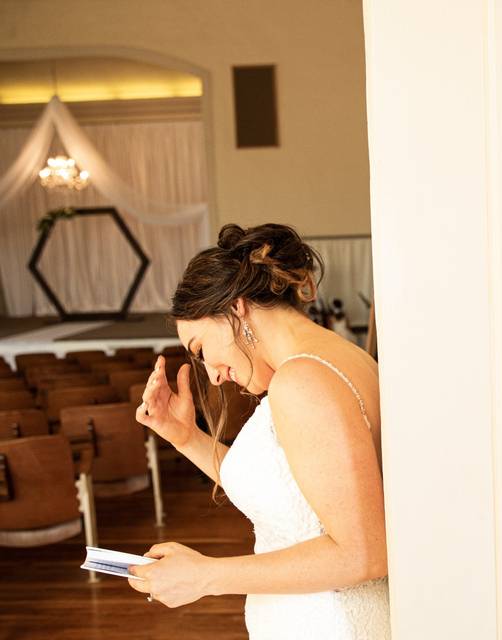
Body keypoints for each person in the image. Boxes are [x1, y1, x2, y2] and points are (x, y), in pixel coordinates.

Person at [128, 223, 390, 639]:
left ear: (235, 307)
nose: (212, 376)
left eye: (200, 349)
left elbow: (364, 556)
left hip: (326, 624)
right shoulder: (340, 358)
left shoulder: (303, 380)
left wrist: (206, 576)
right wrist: (186, 437)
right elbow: (295, 497)